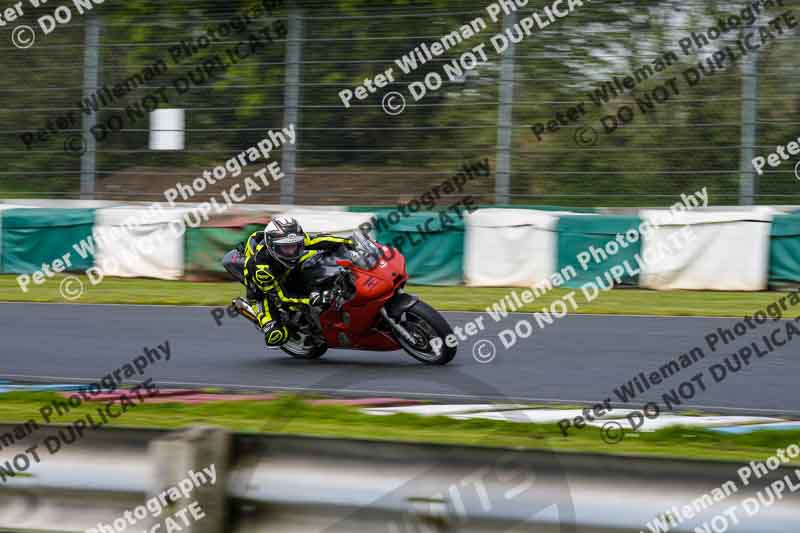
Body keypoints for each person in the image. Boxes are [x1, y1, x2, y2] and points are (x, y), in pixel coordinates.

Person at [222, 216, 353, 346]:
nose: (292, 252)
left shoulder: (297, 239)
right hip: (262, 289)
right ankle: (252, 313)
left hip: (284, 269)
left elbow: (321, 240)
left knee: (313, 262)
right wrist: (310, 300)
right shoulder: (262, 268)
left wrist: (349, 242)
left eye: (295, 246)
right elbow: (282, 297)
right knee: (277, 335)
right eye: (286, 248)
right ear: (273, 247)